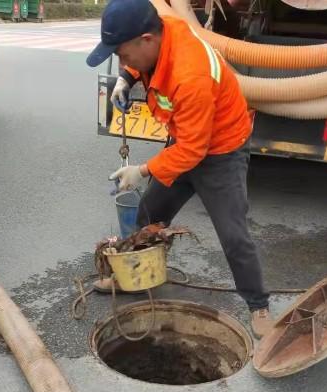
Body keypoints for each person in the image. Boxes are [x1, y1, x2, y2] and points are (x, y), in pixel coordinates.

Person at [86, 0, 273, 337]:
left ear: (146, 39)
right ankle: (135, 276)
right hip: (188, 138)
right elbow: (184, 143)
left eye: (123, 55)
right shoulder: (160, 34)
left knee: (233, 235)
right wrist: (126, 79)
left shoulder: (191, 76)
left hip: (221, 151)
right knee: (149, 213)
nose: (122, 61)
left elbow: (193, 151)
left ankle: (258, 305)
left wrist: (141, 171)